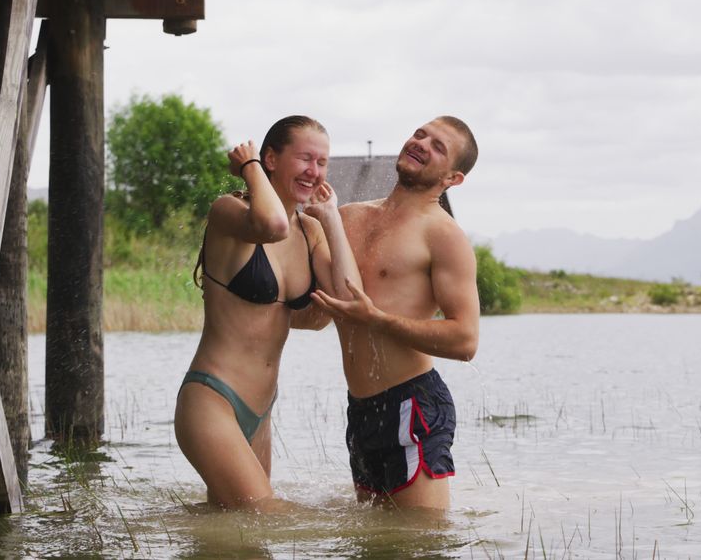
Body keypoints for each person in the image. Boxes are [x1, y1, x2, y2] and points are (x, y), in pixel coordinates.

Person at [174, 115, 356, 510]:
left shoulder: (311, 231)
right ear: (271, 158)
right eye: (306, 158)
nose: (315, 171)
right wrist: (249, 167)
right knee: (266, 516)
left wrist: (331, 217)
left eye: (322, 162)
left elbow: (346, 296)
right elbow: (273, 224)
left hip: (260, 412)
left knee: (238, 538)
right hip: (212, 399)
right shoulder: (229, 212)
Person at [310, 116, 481, 510]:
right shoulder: (345, 217)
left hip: (413, 404)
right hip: (361, 407)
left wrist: (379, 319)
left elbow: (466, 340)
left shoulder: (444, 236)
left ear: (452, 179)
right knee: (374, 544)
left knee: (420, 544)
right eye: (421, 134)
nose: (421, 143)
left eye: (438, 147)